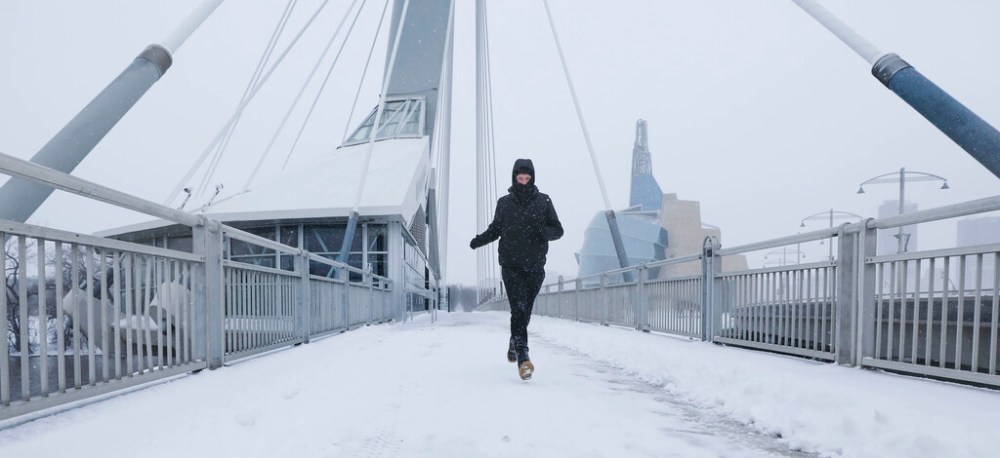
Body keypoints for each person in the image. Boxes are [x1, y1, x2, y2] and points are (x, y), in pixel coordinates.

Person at [470, 159, 563, 380]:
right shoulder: (504, 203)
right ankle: (523, 356)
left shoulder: (543, 201)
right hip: (511, 265)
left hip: (535, 266)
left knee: (525, 310)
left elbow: (558, 230)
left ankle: (514, 342)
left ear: (532, 178)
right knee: (519, 308)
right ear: (514, 178)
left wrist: (542, 231)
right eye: (519, 179)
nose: (523, 182)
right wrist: (478, 241)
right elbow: (495, 230)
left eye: (527, 178)